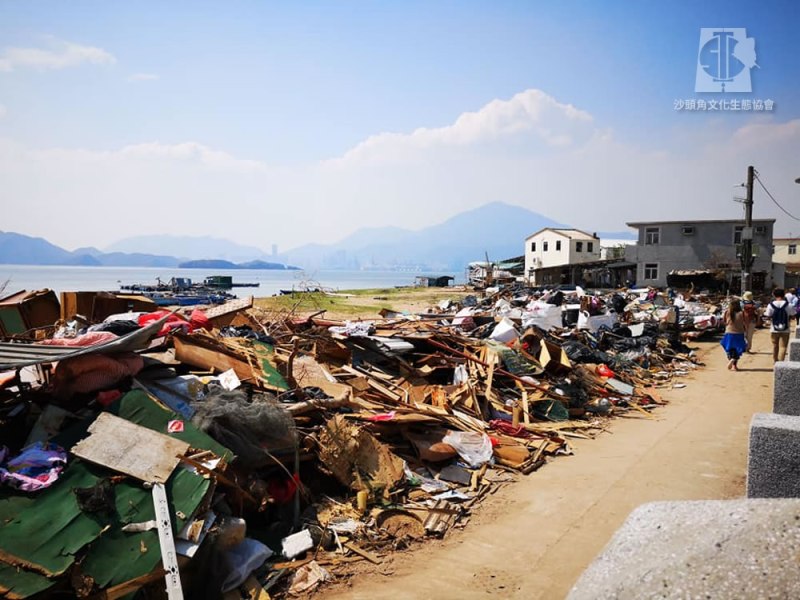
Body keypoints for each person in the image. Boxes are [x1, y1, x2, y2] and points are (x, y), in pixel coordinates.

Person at [765, 288, 796, 362]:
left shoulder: (771, 305)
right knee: (783, 347)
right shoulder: (789, 305)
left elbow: (768, 316)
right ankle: (781, 364)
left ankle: (775, 361)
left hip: (774, 329)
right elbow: (793, 316)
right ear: (783, 295)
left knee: (775, 346)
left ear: (774, 295)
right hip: (785, 329)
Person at [720, 298, 747, 371]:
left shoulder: (727, 312)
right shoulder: (742, 313)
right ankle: (734, 363)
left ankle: (731, 359)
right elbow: (745, 322)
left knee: (730, 349)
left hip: (729, 333)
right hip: (739, 333)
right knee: (738, 349)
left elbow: (724, 322)